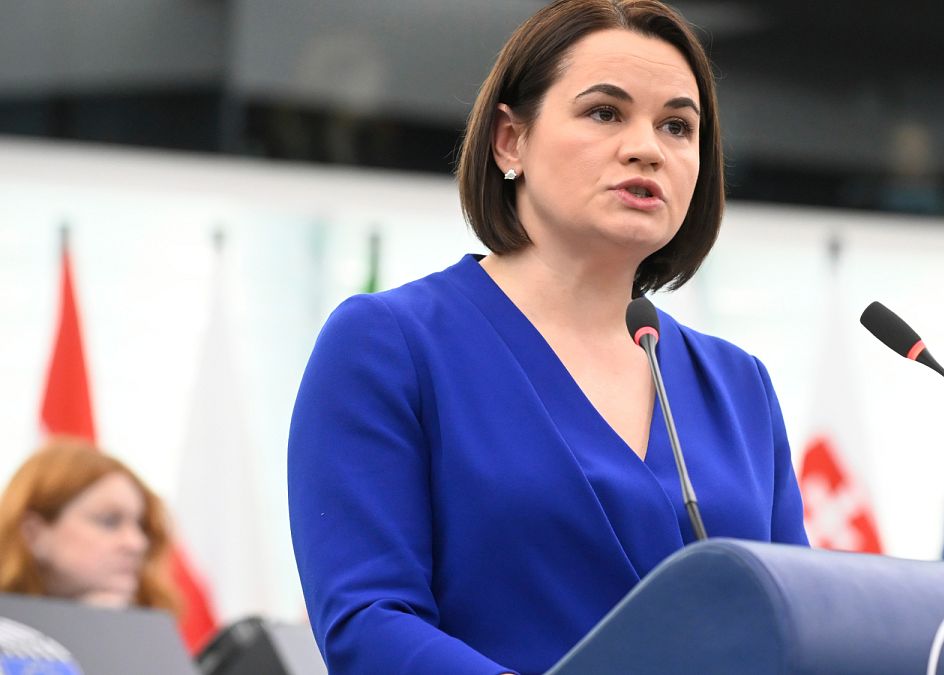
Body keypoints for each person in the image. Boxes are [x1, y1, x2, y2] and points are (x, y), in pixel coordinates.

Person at [288, 1, 809, 673]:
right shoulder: (389, 345)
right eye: (604, 113)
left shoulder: (738, 385)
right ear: (511, 142)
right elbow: (369, 623)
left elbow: (797, 626)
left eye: (678, 126)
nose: (646, 147)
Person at [0, 437, 178, 613]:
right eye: (110, 521)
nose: (137, 543)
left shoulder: (154, 632)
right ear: (33, 534)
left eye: (141, 525)